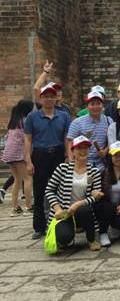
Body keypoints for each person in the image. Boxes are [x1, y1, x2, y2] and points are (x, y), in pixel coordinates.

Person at [24, 83, 71, 239]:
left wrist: (69, 156)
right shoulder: (32, 117)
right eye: (46, 96)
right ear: (40, 98)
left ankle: (61, 222)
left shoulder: (63, 116)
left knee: (61, 190)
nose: (49, 99)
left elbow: (67, 138)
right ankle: (39, 226)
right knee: (40, 191)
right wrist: (28, 161)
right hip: (40, 155)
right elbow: (28, 140)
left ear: (56, 98)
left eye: (52, 96)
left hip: (58, 155)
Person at [45, 136, 102, 251]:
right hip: (64, 213)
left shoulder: (94, 171)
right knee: (63, 238)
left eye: (85, 148)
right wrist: (58, 209)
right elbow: (49, 190)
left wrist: (77, 204)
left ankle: (91, 239)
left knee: (85, 209)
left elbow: (95, 196)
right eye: (79, 148)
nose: (83, 151)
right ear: (73, 151)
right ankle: (68, 233)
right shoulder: (62, 168)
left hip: (82, 212)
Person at [2, 99, 34, 216]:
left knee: (17, 179)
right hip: (19, 153)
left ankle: (15, 207)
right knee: (28, 178)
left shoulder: (13, 121)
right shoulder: (26, 121)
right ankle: (28, 206)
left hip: (9, 153)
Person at [66, 91, 112, 171]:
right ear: (87, 107)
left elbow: (112, 140)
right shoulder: (77, 122)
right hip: (82, 165)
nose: (95, 107)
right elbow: (70, 142)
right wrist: (71, 161)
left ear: (103, 105)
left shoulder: (109, 121)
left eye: (98, 103)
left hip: (102, 165)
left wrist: (105, 151)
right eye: (92, 104)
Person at [96, 141, 120, 246]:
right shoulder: (103, 172)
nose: (119, 158)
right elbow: (97, 191)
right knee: (108, 207)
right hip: (106, 206)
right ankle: (103, 233)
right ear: (110, 157)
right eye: (116, 155)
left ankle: (118, 228)